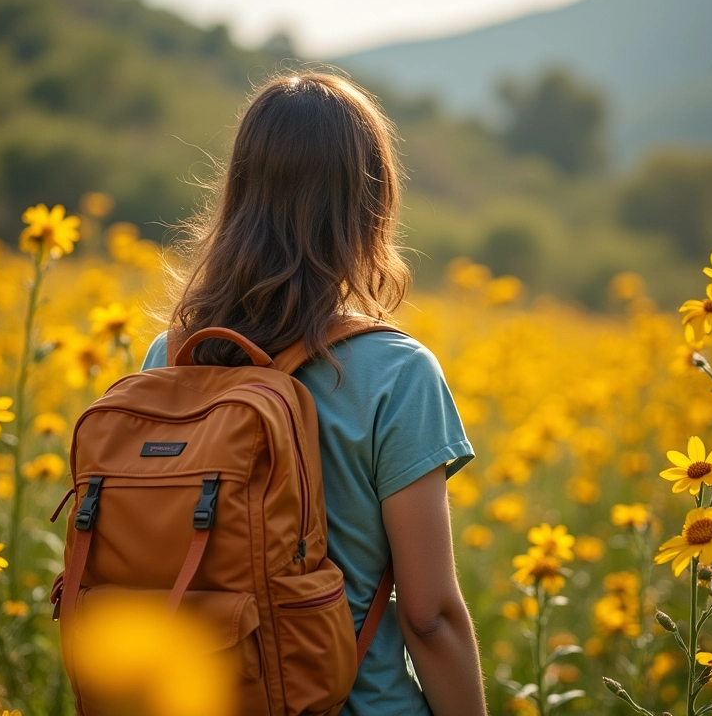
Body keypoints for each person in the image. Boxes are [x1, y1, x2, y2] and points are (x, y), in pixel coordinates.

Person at [141, 71, 488, 716]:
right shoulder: (396, 374)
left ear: (239, 194)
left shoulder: (173, 358)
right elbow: (429, 617)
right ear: (372, 203)